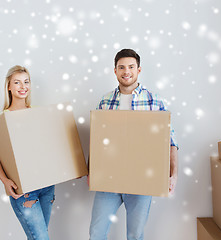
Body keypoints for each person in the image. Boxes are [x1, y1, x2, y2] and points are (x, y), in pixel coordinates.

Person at [89, 49, 179, 240]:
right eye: (121, 67)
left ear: (139, 70)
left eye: (131, 67)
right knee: (96, 233)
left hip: (141, 182)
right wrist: (92, 171)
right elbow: (97, 140)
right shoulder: (105, 101)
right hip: (109, 180)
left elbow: (170, 141)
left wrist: (174, 174)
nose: (126, 71)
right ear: (115, 71)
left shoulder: (155, 101)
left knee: (135, 235)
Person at [0, 65, 55, 240]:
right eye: (17, 82)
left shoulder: (38, 113)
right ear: (9, 87)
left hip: (47, 187)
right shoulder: (3, 119)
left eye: (26, 82)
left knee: (38, 237)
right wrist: (5, 181)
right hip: (24, 191)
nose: (23, 86)